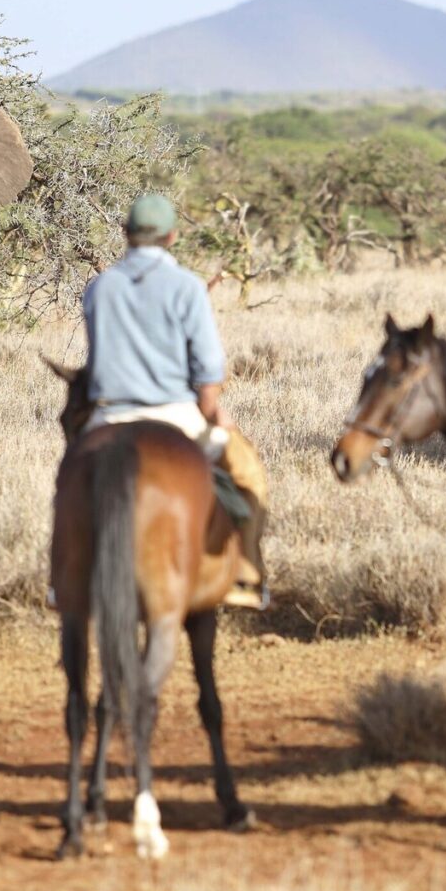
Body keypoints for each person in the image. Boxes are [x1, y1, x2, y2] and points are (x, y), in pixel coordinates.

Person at [82, 192, 268, 609]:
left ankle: (64, 581)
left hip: (108, 417)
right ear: (172, 237)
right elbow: (208, 368)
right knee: (248, 474)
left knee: (71, 481)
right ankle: (244, 576)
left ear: (125, 233)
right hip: (176, 415)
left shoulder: (99, 288)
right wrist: (212, 409)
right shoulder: (187, 287)